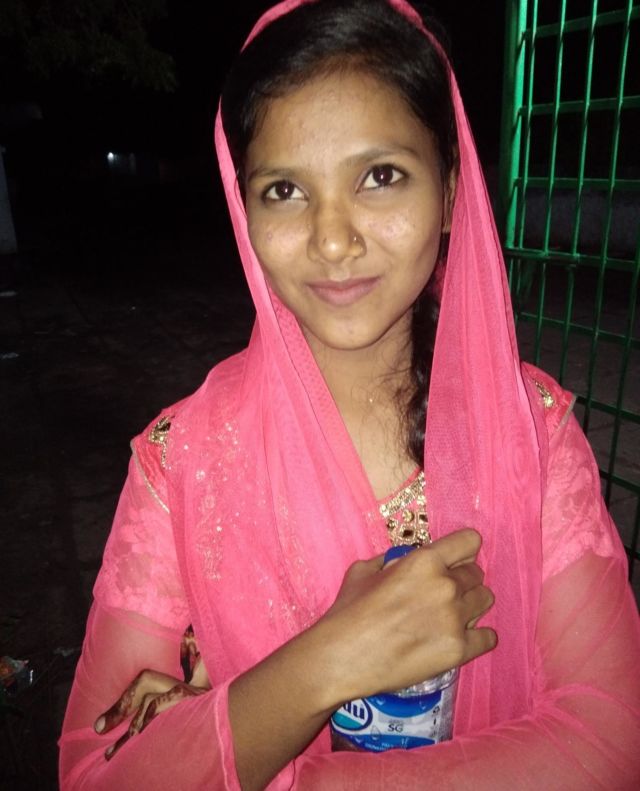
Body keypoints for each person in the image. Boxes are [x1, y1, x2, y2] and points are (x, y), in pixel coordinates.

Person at [58, 0, 640, 788]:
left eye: (380, 176)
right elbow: (94, 773)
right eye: (284, 190)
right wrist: (324, 662)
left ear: (450, 187)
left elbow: (609, 743)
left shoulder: (533, 439)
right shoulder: (181, 462)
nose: (333, 239)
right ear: (243, 205)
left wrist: (245, 746)